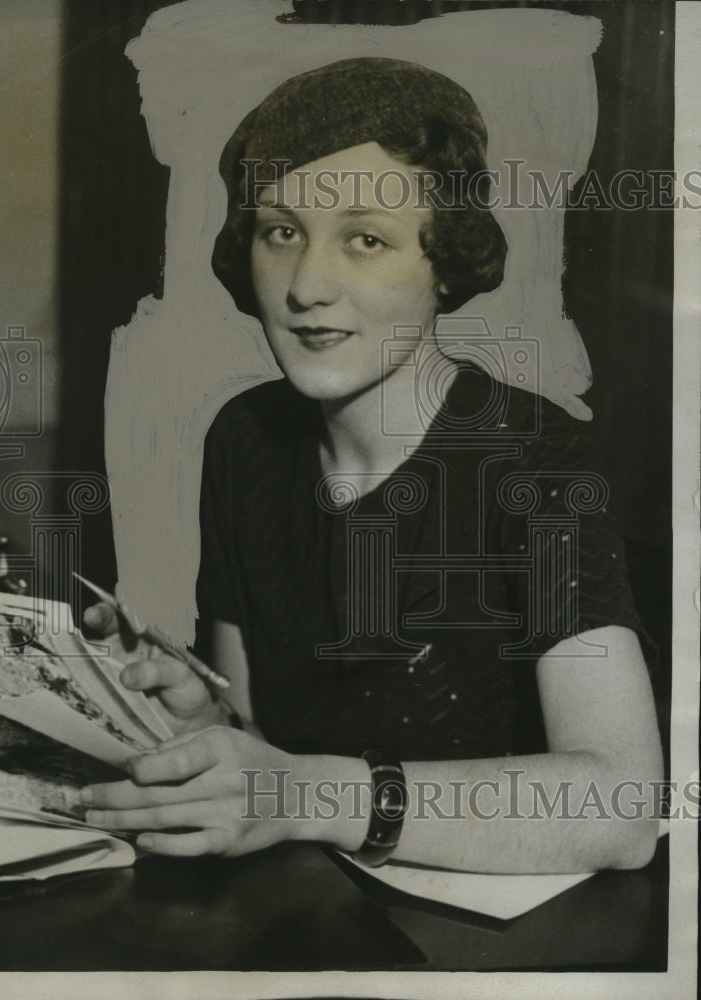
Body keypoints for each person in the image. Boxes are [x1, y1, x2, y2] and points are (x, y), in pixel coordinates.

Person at [82, 58, 662, 873]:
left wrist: (306, 797)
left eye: (365, 239)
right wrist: (197, 723)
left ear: (444, 261)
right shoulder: (243, 438)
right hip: (320, 917)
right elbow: (267, 746)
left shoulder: (536, 459)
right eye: (281, 232)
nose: (306, 286)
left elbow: (623, 809)